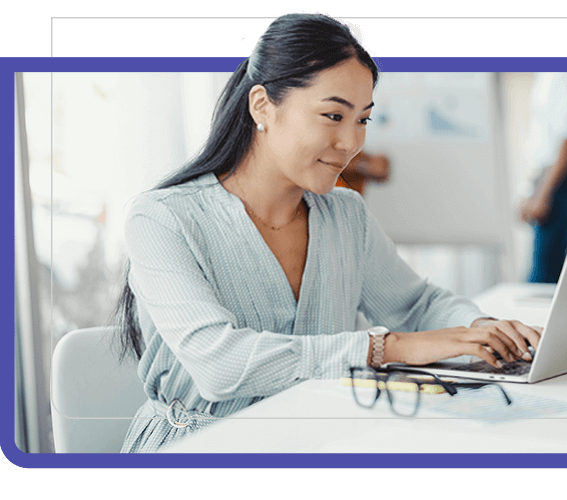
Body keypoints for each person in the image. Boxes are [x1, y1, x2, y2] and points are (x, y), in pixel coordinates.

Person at [113, 13, 543, 453]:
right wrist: (386, 348)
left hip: (318, 441)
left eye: (363, 120)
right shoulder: (162, 219)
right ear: (262, 105)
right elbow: (220, 365)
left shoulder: (344, 214)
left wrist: (483, 329)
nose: (350, 142)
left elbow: (417, 304)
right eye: (333, 115)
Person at [519, 72, 567, 283]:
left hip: (563, 179)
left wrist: (542, 195)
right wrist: (529, 192)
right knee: (552, 265)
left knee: (543, 272)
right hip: (547, 178)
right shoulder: (545, 74)